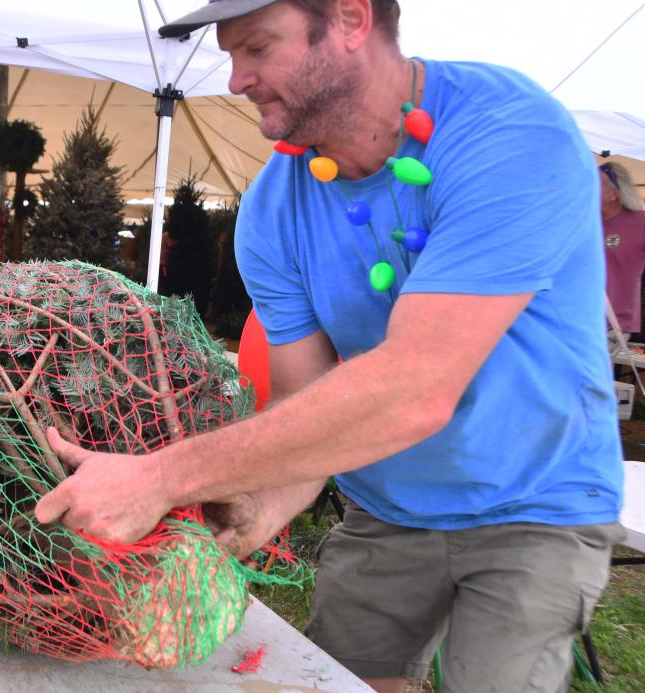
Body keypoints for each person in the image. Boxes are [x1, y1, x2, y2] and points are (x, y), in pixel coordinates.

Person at [35, 2, 625, 691]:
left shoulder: (511, 133)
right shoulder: (271, 212)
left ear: (349, 18)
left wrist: (161, 477)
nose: (236, 79)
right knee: (337, 679)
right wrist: (256, 505)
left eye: (256, 48)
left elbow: (417, 387)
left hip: (538, 503)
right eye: (230, 55)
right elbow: (302, 397)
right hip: (387, 506)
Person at [600, 160, 645, 351]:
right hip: (581, 317)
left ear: (614, 194)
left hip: (616, 322)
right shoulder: (589, 225)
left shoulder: (640, 222)